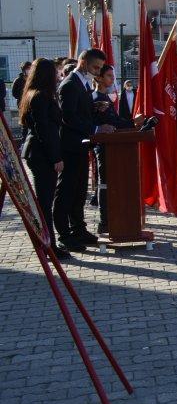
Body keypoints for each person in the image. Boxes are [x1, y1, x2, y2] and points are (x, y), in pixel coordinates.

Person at [54, 49, 114, 252]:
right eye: (95, 67)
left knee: (79, 191)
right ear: (83, 63)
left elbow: (80, 111)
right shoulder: (70, 84)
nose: (98, 72)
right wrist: (96, 129)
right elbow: (68, 117)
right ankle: (64, 235)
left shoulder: (83, 83)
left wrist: (95, 109)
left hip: (81, 145)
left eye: (100, 68)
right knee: (67, 191)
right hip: (70, 147)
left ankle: (79, 229)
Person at [19, 59, 72, 260]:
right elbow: (44, 131)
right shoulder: (40, 96)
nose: (58, 76)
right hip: (41, 155)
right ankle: (49, 245)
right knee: (45, 203)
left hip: (40, 152)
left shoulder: (36, 94)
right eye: (56, 73)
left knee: (45, 201)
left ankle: (48, 243)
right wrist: (55, 157)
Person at [91, 65, 134, 235]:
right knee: (105, 184)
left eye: (112, 76)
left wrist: (134, 123)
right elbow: (110, 123)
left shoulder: (105, 97)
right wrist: (133, 123)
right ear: (99, 78)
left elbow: (115, 121)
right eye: (108, 76)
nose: (112, 79)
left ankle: (113, 220)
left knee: (110, 183)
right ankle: (105, 221)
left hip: (113, 148)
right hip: (104, 148)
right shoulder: (97, 98)